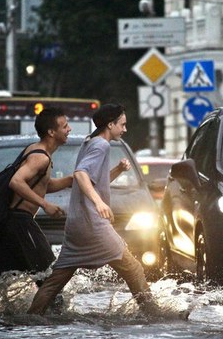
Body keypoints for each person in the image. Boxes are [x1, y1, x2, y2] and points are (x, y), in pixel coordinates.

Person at [28, 103, 156, 315]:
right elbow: (80, 174)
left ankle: (32, 315)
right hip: (93, 224)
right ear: (110, 124)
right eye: (122, 125)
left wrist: (118, 170)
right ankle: (154, 313)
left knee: (56, 280)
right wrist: (99, 202)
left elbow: (92, 180)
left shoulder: (90, 142)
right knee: (133, 269)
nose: (125, 129)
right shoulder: (101, 145)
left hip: (77, 225)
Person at [0, 108, 73, 295]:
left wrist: (70, 180)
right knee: (49, 274)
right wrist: (46, 205)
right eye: (65, 126)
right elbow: (16, 182)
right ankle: (54, 316)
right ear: (51, 132)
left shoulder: (36, 150)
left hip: (12, 222)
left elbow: (42, 185)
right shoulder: (40, 157)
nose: (69, 129)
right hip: (19, 222)